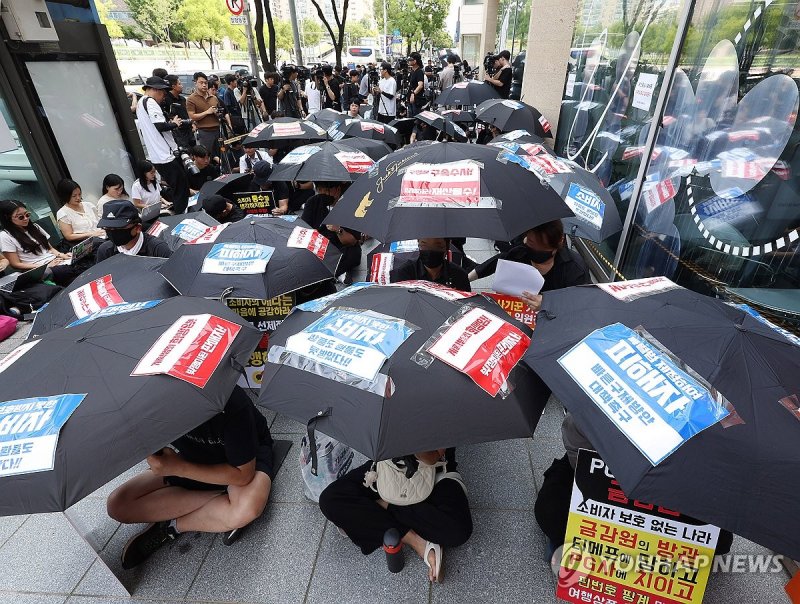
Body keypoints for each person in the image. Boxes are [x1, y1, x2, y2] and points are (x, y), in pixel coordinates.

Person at [106, 386, 275, 569]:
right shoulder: (145, 408)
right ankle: (219, 501)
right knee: (117, 505)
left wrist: (178, 468)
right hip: (191, 459)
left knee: (246, 509)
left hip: (245, 460)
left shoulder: (227, 401)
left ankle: (174, 525)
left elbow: (243, 474)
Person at [535, 413, 733, 560]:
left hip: (670, 485)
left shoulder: (702, 411)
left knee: (719, 540)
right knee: (551, 512)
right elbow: (579, 457)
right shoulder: (592, 405)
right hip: (601, 477)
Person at [319, 448, 472, 583]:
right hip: (391, 469)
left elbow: (433, 457)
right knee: (330, 500)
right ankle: (416, 540)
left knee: (458, 530)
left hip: (436, 472)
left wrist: (410, 439)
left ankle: (383, 506)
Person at [469, 220, 590, 310]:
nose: (529, 246)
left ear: (558, 243)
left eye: (540, 246)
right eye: (529, 242)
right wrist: (467, 277)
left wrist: (547, 304)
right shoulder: (521, 252)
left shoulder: (575, 270)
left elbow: (582, 304)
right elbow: (498, 261)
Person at [136, 76, 190, 214]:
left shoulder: (141, 103)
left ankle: (178, 212)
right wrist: (175, 123)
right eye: (162, 93)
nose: (163, 96)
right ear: (155, 89)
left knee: (178, 185)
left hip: (158, 155)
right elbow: (160, 126)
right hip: (164, 154)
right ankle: (180, 216)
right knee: (181, 186)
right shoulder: (150, 102)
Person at [0, 199, 79, 286]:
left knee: (79, 258)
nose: (26, 218)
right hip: (37, 268)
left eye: (27, 214)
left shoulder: (34, 227)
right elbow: (15, 264)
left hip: (55, 261)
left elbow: (50, 248)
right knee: (65, 271)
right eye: (20, 217)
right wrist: (43, 266)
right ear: (7, 218)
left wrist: (62, 255)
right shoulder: (5, 236)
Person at [301, 181, 361, 277]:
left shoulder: (350, 205)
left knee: (352, 255)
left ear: (337, 190)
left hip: (341, 247)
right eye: (320, 190)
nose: (323, 194)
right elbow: (304, 229)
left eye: (327, 190)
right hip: (319, 245)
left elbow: (351, 241)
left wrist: (338, 229)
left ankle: (331, 273)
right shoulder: (312, 202)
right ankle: (335, 273)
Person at [94, 200, 171, 263]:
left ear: (138, 228)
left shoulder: (158, 249)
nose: (112, 232)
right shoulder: (105, 251)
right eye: (108, 228)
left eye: (119, 228)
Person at [390, 238, 471, 291]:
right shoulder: (404, 274)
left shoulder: (459, 275)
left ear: (447, 247)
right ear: (418, 244)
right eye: (424, 245)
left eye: (438, 246)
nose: (430, 251)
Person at [55, 179, 104, 246]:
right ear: (65, 196)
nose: (78, 198)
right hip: (87, 242)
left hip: (101, 235)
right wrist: (91, 234)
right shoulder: (63, 213)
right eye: (74, 196)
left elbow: (100, 221)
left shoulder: (88, 205)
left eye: (79, 194)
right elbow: (69, 236)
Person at [186, 72, 222, 158]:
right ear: (195, 83)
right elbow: (192, 116)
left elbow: (220, 112)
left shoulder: (213, 97)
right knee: (206, 155)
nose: (204, 85)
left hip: (217, 130)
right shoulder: (191, 99)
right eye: (201, 83)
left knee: (221, 155)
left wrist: (217, 113)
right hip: (204, 131)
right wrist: (207, 112)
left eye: (205, 83)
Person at [163, 75, 194, 149]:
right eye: (179, 84)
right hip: (177, 134)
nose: (182, 86)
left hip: (189, 131)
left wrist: (192, 124)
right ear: (173, 86)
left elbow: (186, 113)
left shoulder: (182, 99)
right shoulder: (166, 100)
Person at [406, 53, 426, 117]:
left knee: (415, 118)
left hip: (416, 100)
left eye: (410, 60)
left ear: (415, 61)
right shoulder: (412, 71)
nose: (409, 61)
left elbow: (420, 85)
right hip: (411, 99)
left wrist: (413, 94)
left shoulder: (419, 72)